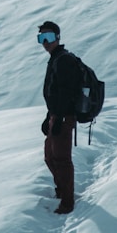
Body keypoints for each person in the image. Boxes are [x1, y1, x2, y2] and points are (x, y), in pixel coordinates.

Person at [37, 20, 84, 215]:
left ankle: (67, 201)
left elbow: (66, 93)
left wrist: (59, 119)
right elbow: (54, 93)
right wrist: (49, 116)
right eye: (41, 38)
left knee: (62, 160)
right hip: (56, 116)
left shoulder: (63, 60)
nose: (45, 42)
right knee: (50, 157)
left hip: (63, 118)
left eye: (48, 37)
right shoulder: (55, 59)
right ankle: (62, 190)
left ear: (57, 38)